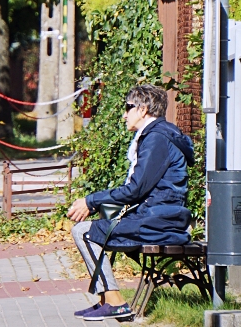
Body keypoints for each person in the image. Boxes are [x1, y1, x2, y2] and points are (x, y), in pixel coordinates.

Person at [66, 83, 195, 321]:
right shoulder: (157, 135)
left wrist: (91, 201)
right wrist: (103, 209)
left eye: (128, 107)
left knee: (83, 232)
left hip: (160, 222)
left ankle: (115, 302)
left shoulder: (156, 139)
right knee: (95, 226)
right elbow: (141, 191)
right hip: (159, 216)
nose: (124, 114)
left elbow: (135, 189)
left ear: (143, 109)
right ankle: (106, 300)